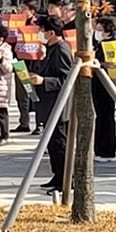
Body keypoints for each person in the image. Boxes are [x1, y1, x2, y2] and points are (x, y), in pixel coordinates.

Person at [31, 17, 74, 190]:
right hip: (48, 104)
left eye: (41, 31)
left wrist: (44, 81)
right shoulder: (50, 49)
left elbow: (66, 79)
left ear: (50, 32)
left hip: (59, 104)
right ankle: (57, 176)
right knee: (52, 143)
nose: (39, 34)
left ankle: (66, 180)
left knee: (59, 144)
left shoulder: (62, 49)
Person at [91, 17, 116, 163]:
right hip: (97, 84)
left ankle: (108, 150)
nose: (97, 32)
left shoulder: (112, 44)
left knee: (106, 116)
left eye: (100, 30)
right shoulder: (98, 44)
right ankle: (100, 149)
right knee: (100, 116)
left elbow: (112, 65)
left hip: (107, 84)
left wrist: (100, 64)